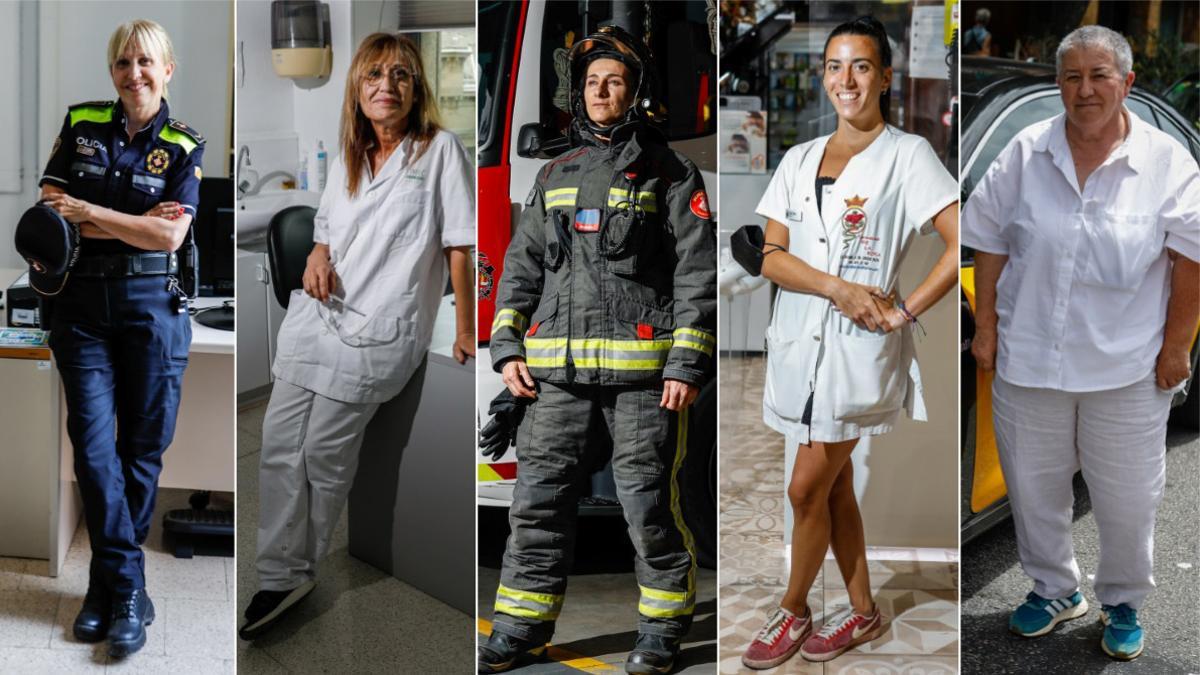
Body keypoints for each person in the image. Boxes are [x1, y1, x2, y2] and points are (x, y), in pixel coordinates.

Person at [477, 25, 716, 675]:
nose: (602, 91)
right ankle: (520, 628)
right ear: (577, 95)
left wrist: (687, 363)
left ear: (635, 91)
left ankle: (662, 629)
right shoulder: (555, 173)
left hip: (644, 376)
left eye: (615, 80)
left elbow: (696, 274)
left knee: (648, 503)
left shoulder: (670, 171)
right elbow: (520, 269)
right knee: (537, 503)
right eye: (592, 82)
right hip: (554, 374)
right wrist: (506, 348)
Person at [961, 25, 1199, 661]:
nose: (1084, 89)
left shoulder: (1166, 163)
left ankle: (1122, 601)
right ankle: (1054, 589)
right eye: (1071, 77)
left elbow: (1192, 259)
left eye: (1099, 76)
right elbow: (986, 237)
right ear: (1059, 84)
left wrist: (1177, 349)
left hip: (1125, 368)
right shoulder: (1025, 151)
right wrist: (985, 327)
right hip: (1028, 359)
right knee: (1033, 490)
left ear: (1126, 83)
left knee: (1126, 500)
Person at [238, 32, 476, 640]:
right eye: (374, 75)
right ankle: (277, 569)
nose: (386, 86)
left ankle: (299, 568)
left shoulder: (440, 150)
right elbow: (326, 225)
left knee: (323, 448)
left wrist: (469, 327)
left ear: (415, 87)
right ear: (358, 88)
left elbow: (459, 244)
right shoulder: (349, 153)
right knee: (277, 440)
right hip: (318, 317)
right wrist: (317, 252)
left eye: (399, 75)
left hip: (382, 324)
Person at [739, 16, 959, 668]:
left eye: (861, 66)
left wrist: (905, 309)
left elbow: (956, 240)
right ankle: (863, 610)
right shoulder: (798, 158)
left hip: (858, 353)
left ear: (885, 76)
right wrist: (837, 287)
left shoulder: (908, 156)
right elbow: (770, 256)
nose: (846, 80)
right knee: (831, 489)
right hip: (800, 344)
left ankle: (794, 610)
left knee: (805, 489)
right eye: (835, 66)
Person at [35, 19, 204, 658]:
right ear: (113, 71)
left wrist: (90, 213)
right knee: (92, 446)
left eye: (146, 63)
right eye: (123, 63)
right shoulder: (81, 122)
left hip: (151, 306)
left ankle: (106, 586)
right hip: (79, 305)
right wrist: (129, 221)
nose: (134, 73)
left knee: (142, 447)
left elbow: (169, 238)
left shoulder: (184, 145)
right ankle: (129, 587)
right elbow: (50, 209)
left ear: (167, 70)